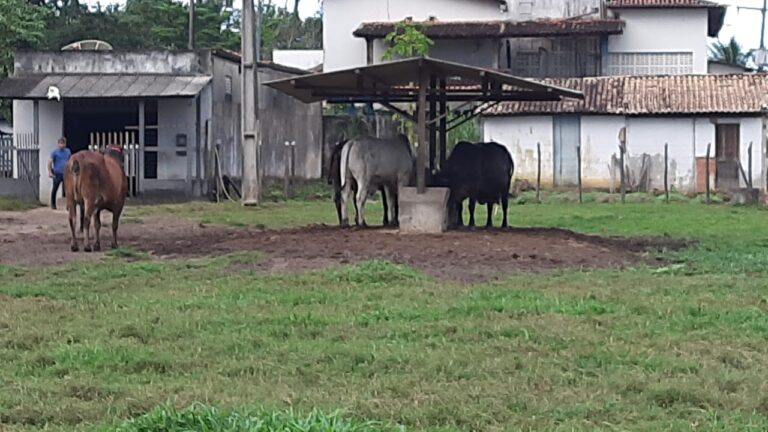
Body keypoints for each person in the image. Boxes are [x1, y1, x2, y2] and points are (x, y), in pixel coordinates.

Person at [48, 137, 71, 210]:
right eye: (60, 143)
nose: (62, 145)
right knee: (55, 189)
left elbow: (70, 161)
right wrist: (50, 172)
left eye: (63, 143)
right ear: (58, 144)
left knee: (68, 190)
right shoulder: (54, 152)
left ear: (65, 144)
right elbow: (50, 162)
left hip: (66, 173)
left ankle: (69, 205)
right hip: (57, 173)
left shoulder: (68, 151)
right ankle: (53, 204)